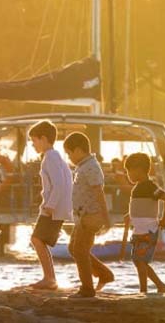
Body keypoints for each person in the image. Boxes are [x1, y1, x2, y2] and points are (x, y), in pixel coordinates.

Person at [65, 132, 114, 298]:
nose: (69, 157)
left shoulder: (91, 166)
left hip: (91, 215)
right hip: (81, 216)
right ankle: (104, 274)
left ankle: (87, 288)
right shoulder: (83, 166)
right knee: (73, 248)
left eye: (69, 153)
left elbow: (99, 192)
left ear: (78, 150)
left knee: (80, 250)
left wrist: (105, 218)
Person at [28, 120, 73, 290]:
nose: (33, 145)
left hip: (52, 209)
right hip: (54, 207)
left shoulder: (51, 157)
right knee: (39, 240)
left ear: (44, 138)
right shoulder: (54, 156)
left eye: (34, 140)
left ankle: (49, 278)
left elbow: (59, 183)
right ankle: (50, 277)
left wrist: (51, 205)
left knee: (37, 239)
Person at [123, 152, 165, 294]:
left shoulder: (150, 187)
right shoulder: (137, 188)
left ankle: (143, 290)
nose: (128, 175)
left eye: (129, 171)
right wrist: (130, 215)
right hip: (139, 230)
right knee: (138, 260)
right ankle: (159, 285)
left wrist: (164, 220)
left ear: (139, 170)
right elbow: (140, 206)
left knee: (141, 260)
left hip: (148, 230)